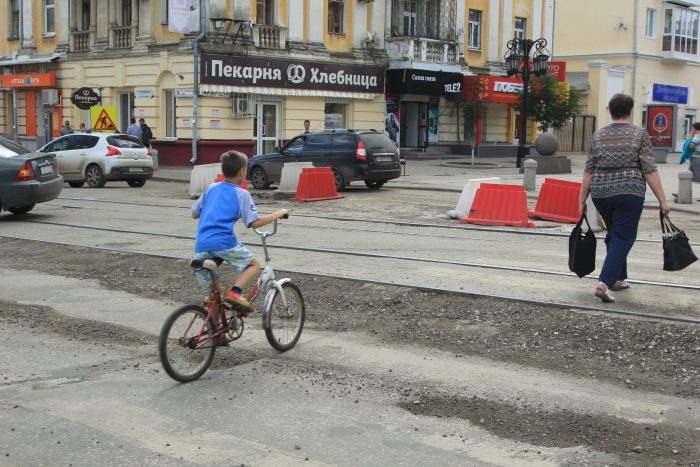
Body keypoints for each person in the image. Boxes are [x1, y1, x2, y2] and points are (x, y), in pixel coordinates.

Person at [578, 93, 670, 303]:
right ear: (630, 111)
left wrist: (582, 200)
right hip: (629, 192)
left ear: (611, 111)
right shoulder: (639, 134)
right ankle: (604, 282)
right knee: (624, 237)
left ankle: (618, 278)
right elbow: (649, 170)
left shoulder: (598, 135)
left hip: (601, 194)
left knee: (615, 233)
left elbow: (588, 170)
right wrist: (663, 201)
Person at [191, 151, 288, 341]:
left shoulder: (211, 188)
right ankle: (235, 293)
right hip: (223, 242)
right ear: (242, 171)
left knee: (215, 293)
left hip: (201, 245)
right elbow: (254, 223)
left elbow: (195, 213)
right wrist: (278, 213)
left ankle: (217, 336)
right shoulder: (241, 193)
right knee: (254, 265)